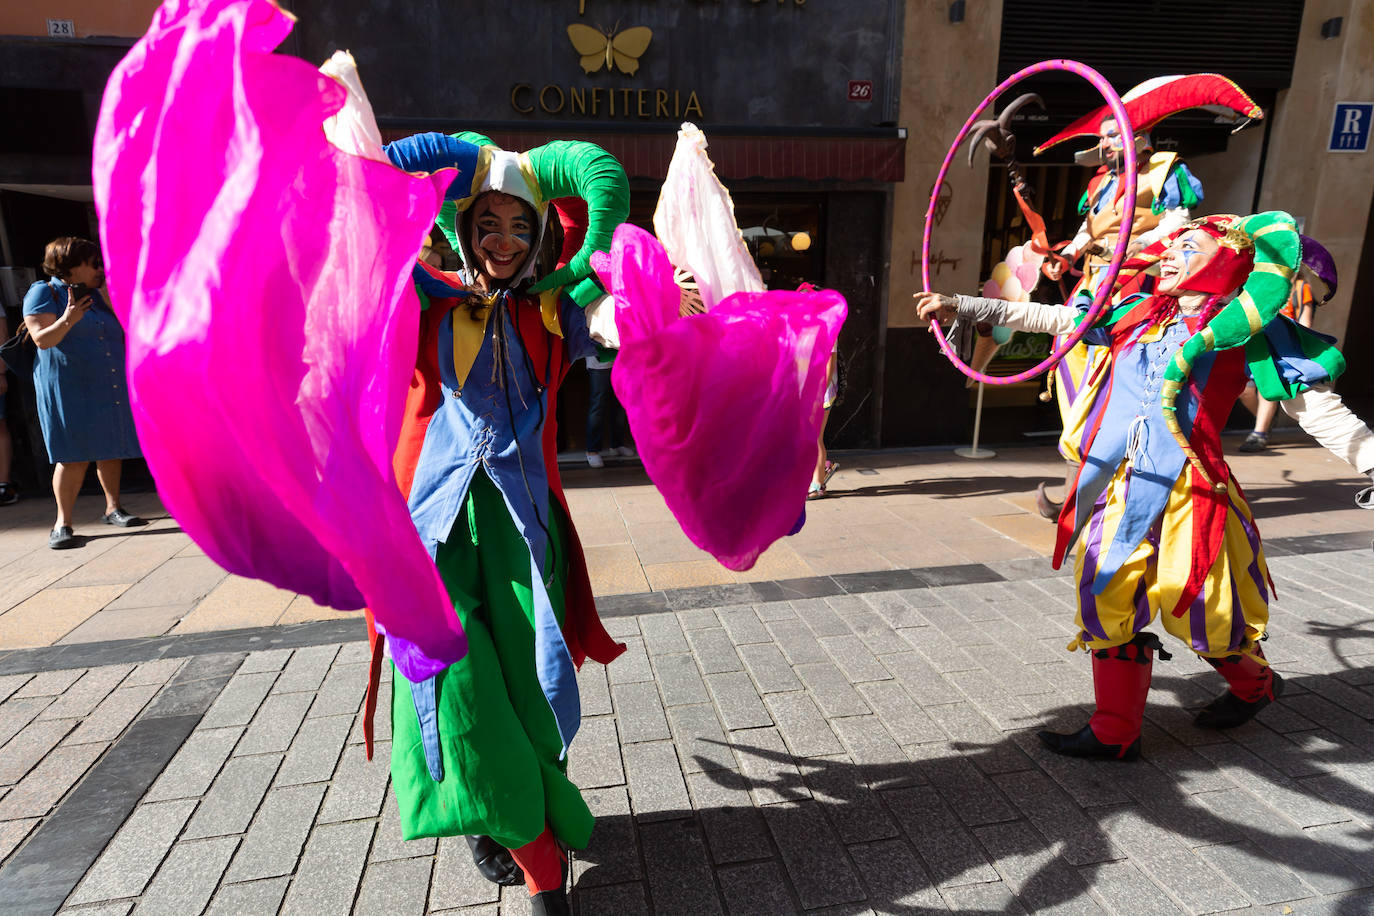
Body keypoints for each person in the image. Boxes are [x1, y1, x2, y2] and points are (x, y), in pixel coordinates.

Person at [917, 213, 1374, 761]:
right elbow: (1057, 319)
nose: (1169, 253)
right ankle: (1115, 733)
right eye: (1173, 244)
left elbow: (1317, 409)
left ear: (1225, 258)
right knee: (1105, 594)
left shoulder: (1250, 328)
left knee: (1205, 615)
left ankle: (1257, 685)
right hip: (1125, 484)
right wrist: (964, 307)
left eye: (1187, 245)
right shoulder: (1141, 311)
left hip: (1194, 493)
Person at [374, 132, 629, 916]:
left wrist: (669, 295)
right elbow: (369, 212)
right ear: (463, 228)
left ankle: (513, 809)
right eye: (490, 223)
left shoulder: (559, 311)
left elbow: (633, 322)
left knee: (526, 684)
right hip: (430, 534)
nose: (507, 241)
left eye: (523, 227)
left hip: (522, 534)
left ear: (545, 237)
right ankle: (534, 852)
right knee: (451, 683)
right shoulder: (421, 294)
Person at [1030, 74, 1261, 519]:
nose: (1108, 145)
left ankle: (1109, 482)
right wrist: (1068, 255)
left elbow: (1178, 222)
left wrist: (1137, 247)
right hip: (1093, 282)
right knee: (1069, 355)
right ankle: (1082, 473)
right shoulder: (1100, 182)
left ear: (1140, 139)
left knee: (1112, 375)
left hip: (1135, 284)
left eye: (1115, 136)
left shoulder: (1166, 171)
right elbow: (1088, 229)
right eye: (1105, 138)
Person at [23, 237, 144, 549]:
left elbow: (129, 329)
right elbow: (42, 340)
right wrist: (68, 319)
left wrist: (108, 296)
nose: (99, 269)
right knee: (72, 454)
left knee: (111, 446)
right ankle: (63, 522)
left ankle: (113, 508)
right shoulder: (43, 292)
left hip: (107, 381)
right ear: (70, 266)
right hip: (69, 385)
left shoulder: (98, 294)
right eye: (92, 263)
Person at [1238, 276, 1316, 451]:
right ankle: (1265, 421)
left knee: (1268, 391)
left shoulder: (1300, 286)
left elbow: (1306, 322)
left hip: (1282, 347)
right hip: (1256, 343)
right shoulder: (1263, 282)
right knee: (1245, 391)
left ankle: (1259, 434)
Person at [584, 352, 633, 468]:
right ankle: (592, 450)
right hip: (598, 360)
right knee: (598, 404)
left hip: (620, 358)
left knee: (620, 402)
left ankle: (617, 444)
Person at [808, 345, 839, 499]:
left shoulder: (829, 327)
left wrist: (819, 393)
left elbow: (830, 363)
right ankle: (820, 471)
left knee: (815, 437)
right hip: (808, 390)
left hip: (822, 394)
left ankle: (817, 484)